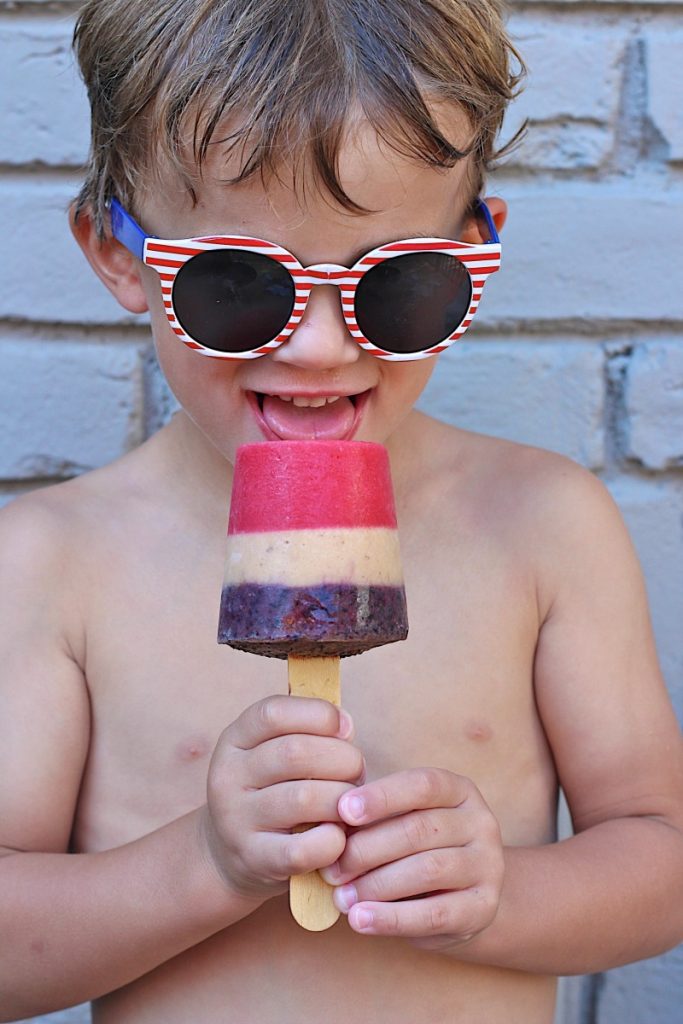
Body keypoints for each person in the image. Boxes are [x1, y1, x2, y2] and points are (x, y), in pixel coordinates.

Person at [1, 1, 682, 1021]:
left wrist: (495, 894)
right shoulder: (53, 562)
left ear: (472, 251)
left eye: (399, 284)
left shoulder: (545, 527)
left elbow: (658, 860)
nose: (319, 348)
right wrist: (202, 865)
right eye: (236, 286)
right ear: (116, 252)